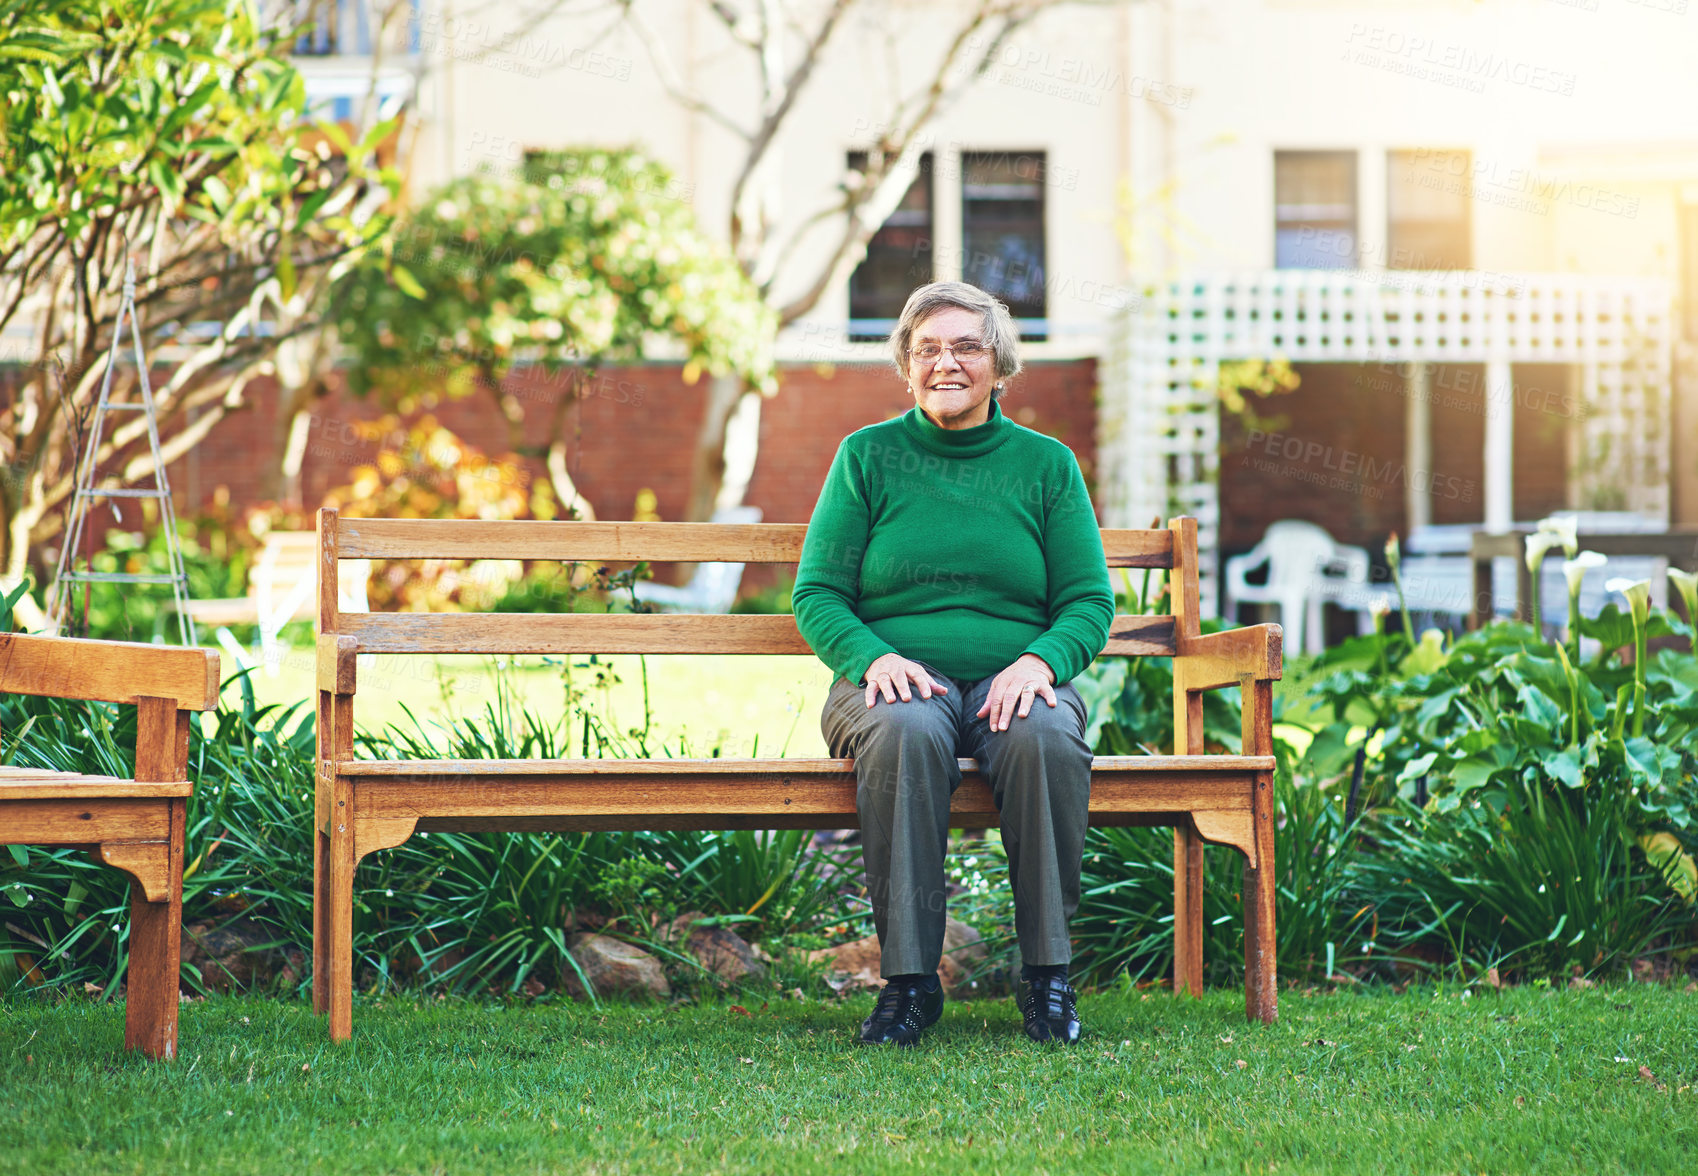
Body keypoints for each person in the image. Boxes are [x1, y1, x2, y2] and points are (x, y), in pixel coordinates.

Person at [792, 281, 1114, 1046]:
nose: (947, 362)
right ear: (906, 366)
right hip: (888, 683)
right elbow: (819, 593)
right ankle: (908, 985)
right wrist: (873, 658)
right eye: (928, 348)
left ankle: (1048, 979)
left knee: (1042, 735)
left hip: (1014, 682)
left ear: (999, 364)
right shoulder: (866, 457)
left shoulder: (1046, 466)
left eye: (967, 346)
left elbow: (1088, 602)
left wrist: (1041, 662)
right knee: (905, 731)